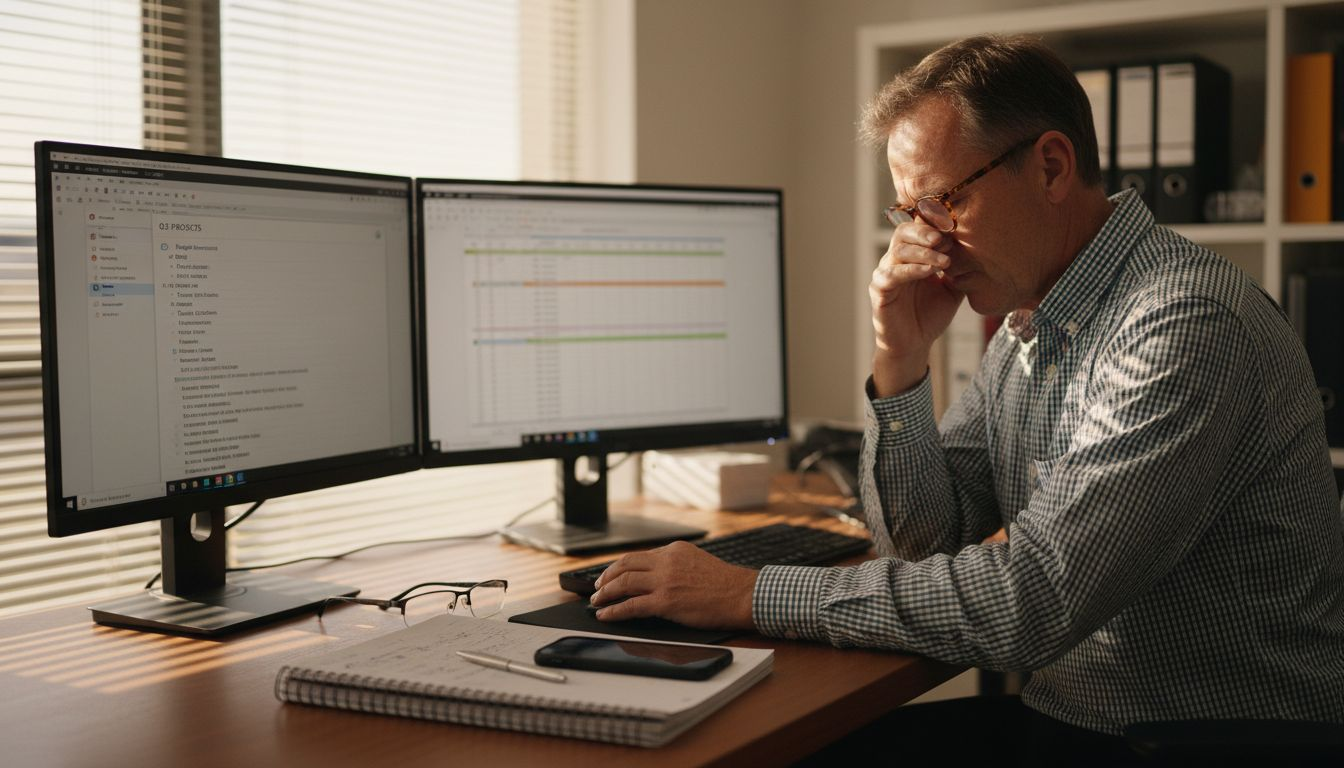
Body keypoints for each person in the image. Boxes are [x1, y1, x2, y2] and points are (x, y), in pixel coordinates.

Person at [589, 33, 1344, 761]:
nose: (925, 244)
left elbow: (1032, 601)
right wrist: (901, 357)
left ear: (1050, 166)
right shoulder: (1031, 320)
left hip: (1192, 741)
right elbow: (925, 544)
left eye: (942, 202)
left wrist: (749, 595)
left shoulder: (1183, 322)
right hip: (1081, 718)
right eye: (909, 214)